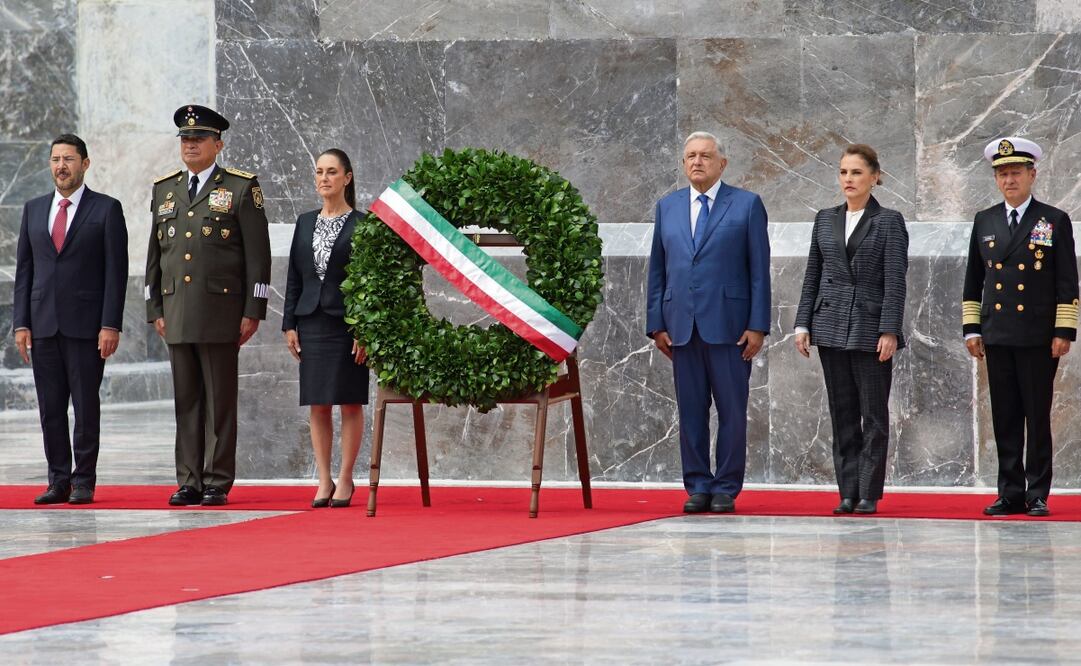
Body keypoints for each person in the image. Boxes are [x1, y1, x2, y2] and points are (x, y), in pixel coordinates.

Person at [145, 105, 272, 507]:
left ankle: (217, 479)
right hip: (177, 310)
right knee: (186, 401)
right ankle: (188, 480)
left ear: (217, 144)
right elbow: (154, 256)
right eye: (185, 139)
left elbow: (258, 256)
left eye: (198, 139)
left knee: (219, 401)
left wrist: (254, 310)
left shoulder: (239, 188)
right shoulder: (165, 190)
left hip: (221, 312)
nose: (190, 145)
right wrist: (154, 309)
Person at [646, 131, 771, 514]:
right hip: (681, 327)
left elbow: (758, 272)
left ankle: (726, 488)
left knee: (732, 411)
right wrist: (656, 323)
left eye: (705, 156)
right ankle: (697, 484)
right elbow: (658, 269)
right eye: (690, 156)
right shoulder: (667, 208)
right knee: (691, 411)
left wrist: (758, 325)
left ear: (722, 163)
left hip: (731, 328)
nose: (697, 162)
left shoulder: (747, 205)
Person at [963, 136, 1078, 517]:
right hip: (997, 333)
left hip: (1037, 335)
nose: (1009, 180)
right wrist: (972, 328)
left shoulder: (1053, 220)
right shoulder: (985, 221)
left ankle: (1037, 492)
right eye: (1002, 174)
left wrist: (1064, 331)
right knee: (1005, 415)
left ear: (1032, 174)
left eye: (1015, 173)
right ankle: (1009, 491)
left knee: (1036, 413)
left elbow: (1067, 281)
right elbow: (973, 278)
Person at [12, 134, 128, 505]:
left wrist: (110, 324)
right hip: (43, 324)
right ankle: (58, 479)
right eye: (55, 159)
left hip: (86, 326)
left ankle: (83, 481)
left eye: (69, 159)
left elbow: (116, 272)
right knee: (50, 408)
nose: (61, 166)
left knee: (85, 405)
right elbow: (24, 271)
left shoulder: (106, 210)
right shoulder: (33, 209)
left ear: (85, 164)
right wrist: (21, 323)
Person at [793, 144, 908, 516]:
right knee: (841, 412)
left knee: (873, 414)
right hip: (829, 325)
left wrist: (889, 330)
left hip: (870, 329)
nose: (848, 179)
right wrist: (802, 322)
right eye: (843, 172)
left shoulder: (889, 221)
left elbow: (895, 281)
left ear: (876, 177)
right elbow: (813, 274)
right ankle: (847, 491)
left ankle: (869, 493)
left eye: (856, 173)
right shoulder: (825, 219)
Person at [283, 149, 369, 508]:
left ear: (347, 178)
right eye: (319, 172)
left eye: (332, 172)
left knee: (349, 402)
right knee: (317, 403)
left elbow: (369, 281)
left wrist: (365, 329)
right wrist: (289, 323)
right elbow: (294, 277)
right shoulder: (305, 222)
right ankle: (323, 479)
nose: (324, 178)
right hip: (311, 322)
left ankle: (346, 477)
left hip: (348, 325)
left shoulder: (363, 224)